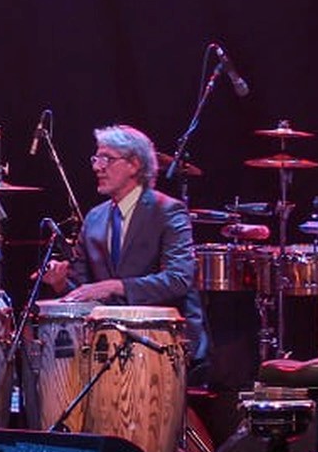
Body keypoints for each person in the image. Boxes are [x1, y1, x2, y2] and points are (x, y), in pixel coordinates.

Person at [38, 124, 202, 345]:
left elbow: (179, 279)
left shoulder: (167, 211)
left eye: (107, 159)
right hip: (105, 343)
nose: (97, 167)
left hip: (162, 341)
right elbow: (82, 289)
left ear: (134, 164)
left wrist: (117, 285)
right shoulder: (95, 218)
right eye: (95, 159)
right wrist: (60, 283)